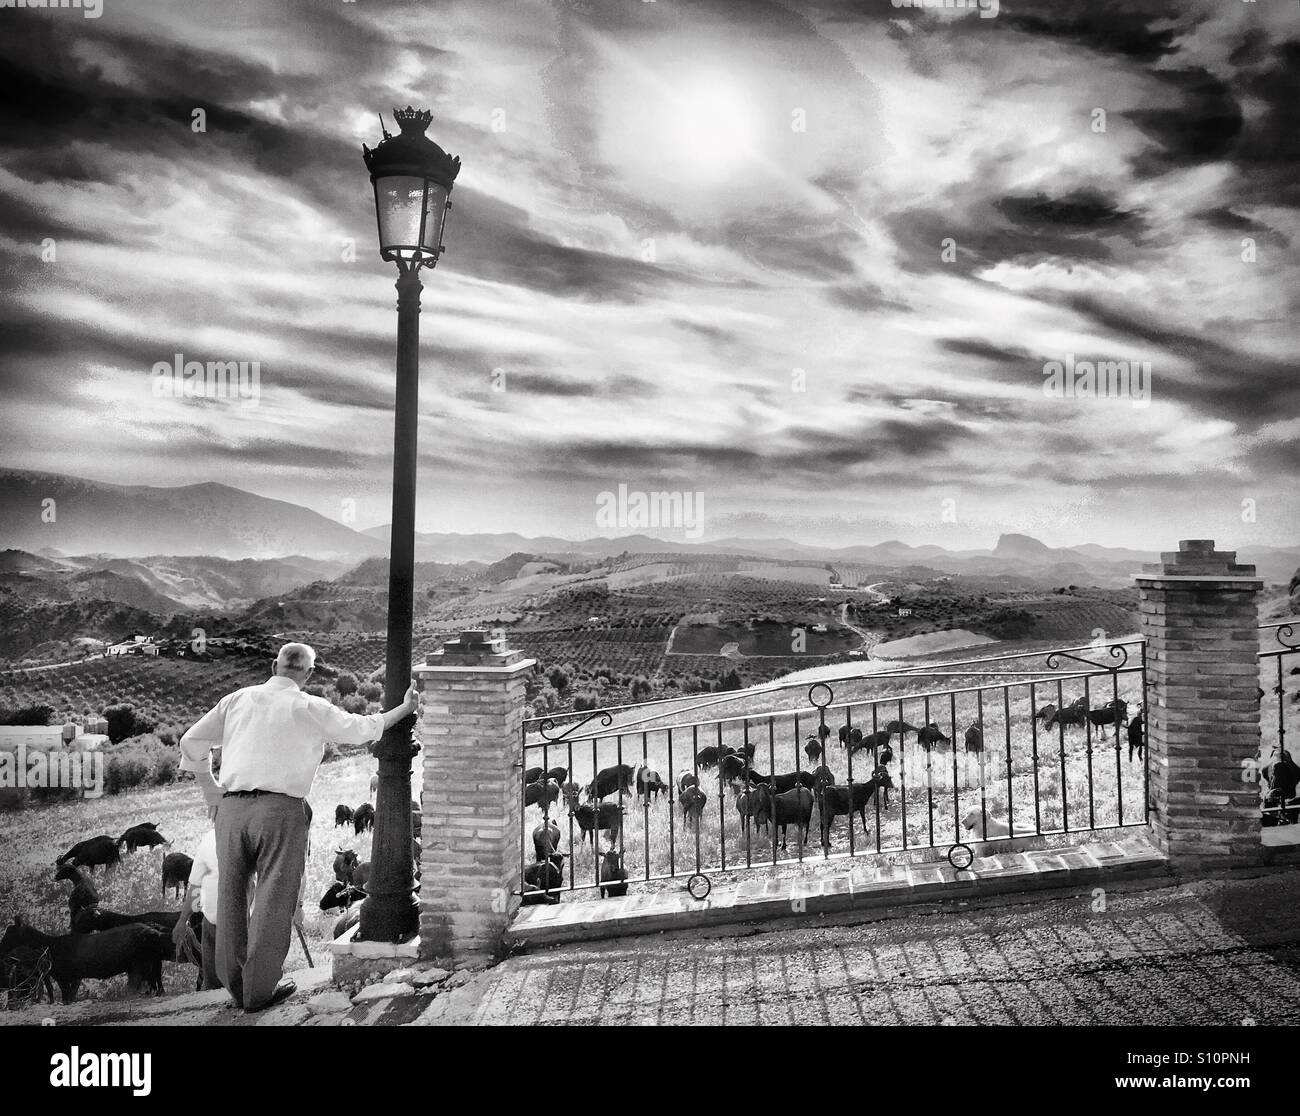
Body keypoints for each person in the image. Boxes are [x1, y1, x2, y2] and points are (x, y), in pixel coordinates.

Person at [180, 642, 418, 1012]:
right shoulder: (309, 706)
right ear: (308, 674)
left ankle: (236, 986)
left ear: (274, 665)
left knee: (230, 897)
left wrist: (210, 788)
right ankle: (257, 994)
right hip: (280, 811)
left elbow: (190, 741)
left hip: (232, 809)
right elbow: (362, 729)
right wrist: (404, 708)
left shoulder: (236, 700)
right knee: (275, 899)